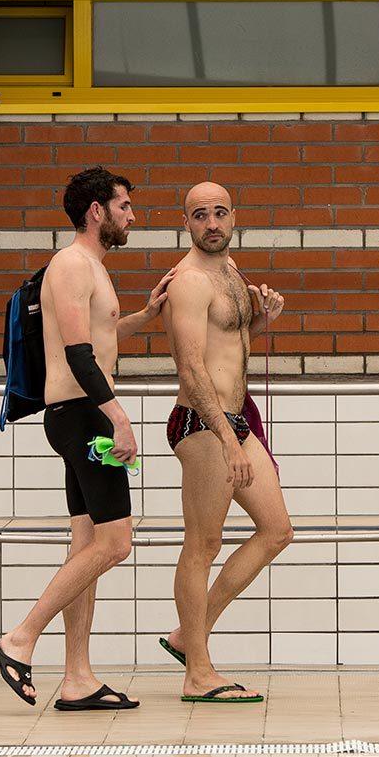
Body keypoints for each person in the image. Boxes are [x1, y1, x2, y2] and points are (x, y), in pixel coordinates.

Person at [0, 167, 172, 711]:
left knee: (86, 545)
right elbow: (77, 353)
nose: (132, 216)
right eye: (124, 206)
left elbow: (101, 334)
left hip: (80, 414)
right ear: (97, 211)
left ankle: (78, 678)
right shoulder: (70, 265)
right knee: (116, 543)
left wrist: (145, 315)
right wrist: (118, 417)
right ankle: (19, 639)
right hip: (82, 417)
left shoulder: (91, 267)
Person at [156, 181, 293, 704]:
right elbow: (190, 367)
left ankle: (184, 637)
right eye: (199, 215)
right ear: (185, 222)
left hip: (236, 421)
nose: (211, 223)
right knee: (203, 545)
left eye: (219, 213)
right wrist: (227, 440)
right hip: (203, 424)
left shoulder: (231, 273)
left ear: (234, 216)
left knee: (277, 531)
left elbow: (230, 346)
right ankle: (198, 671)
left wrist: (262, 319)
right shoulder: (189, 282)